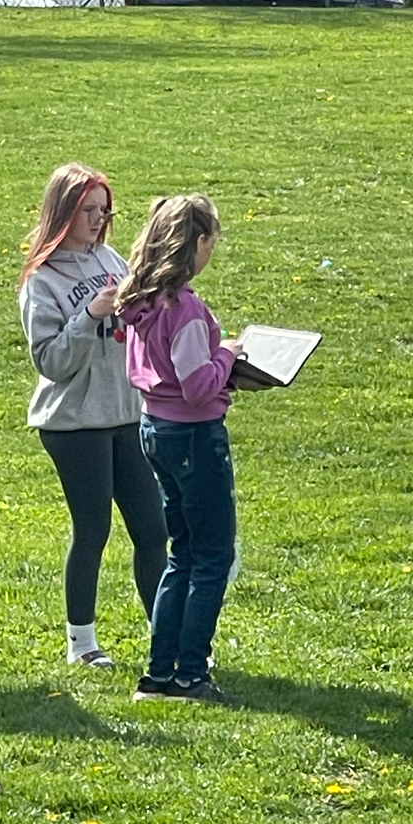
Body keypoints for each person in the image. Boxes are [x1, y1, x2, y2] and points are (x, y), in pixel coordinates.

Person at [18, 162, 168, 669]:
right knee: (93, 529)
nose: (99, 220)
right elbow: (51, 362)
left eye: (105, 211)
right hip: (74, 422)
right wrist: (90, 316)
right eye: (89, 211)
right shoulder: (42, 280)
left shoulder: (109, 260)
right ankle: (81, 643)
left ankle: (166, 634)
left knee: (152, 528)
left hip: (126, 414)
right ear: (63, 211)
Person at [116, 194, 244, 704]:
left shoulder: (141, 301)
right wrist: (227, 357)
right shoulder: (184, 307)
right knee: (211, 556)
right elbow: (195, 385)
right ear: (197, 243)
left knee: (182, 554)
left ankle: (157, 673)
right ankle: (190, 674)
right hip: (194, 435)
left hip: (155, 428)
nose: (213, 250)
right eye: (211, 241)